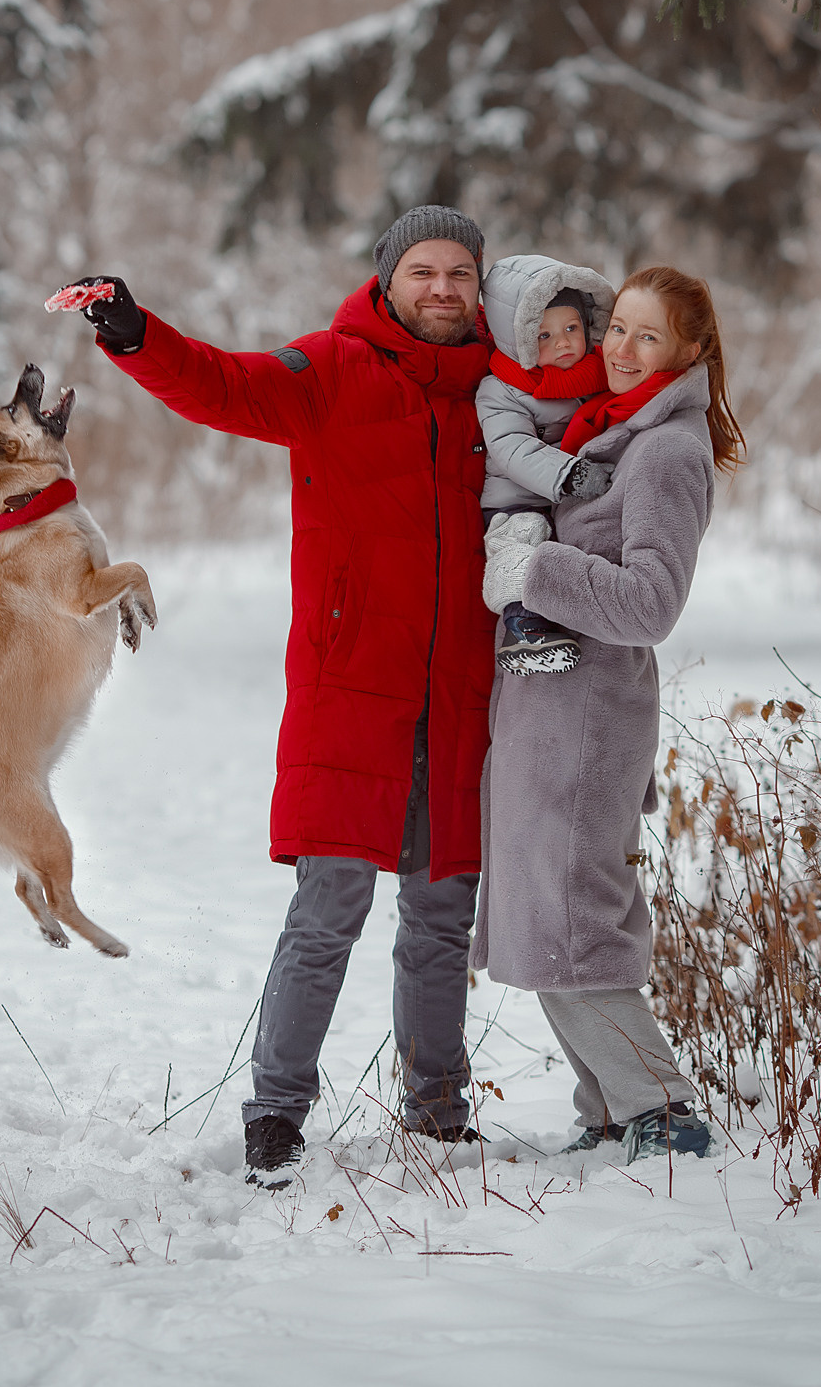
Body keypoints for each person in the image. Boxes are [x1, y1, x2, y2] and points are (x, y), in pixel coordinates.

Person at [66, 208, 497, 1187]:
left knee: (440, 914)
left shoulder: (495, 391)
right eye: (422, 271)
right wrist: (135, 334)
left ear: (480, 286)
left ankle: (437, 1111)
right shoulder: (331, 368)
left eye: (460, 273)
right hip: (352, 690)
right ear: (386, 280)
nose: (441, 288)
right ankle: (275, 1115)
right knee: (329, 905)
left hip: (460, 697)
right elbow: (224, 384)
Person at [472, 266, 745, 1162]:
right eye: (617, 327)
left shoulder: (665, 452)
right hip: (548, 710)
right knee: (541, 915)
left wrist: (533, 569)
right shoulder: (606, 427)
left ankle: (663, 1113)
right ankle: (610, 1112)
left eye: (647, 336)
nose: (621, 349)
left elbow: (651, 604)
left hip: (589, 720)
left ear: (689, 351)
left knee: (572, 920)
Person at [476, 255, 617, 676]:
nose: (563, 343)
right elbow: (512, 448)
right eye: (543, 335)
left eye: (571, 328)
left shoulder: (598, 376)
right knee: (523, 540)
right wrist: (566, 474)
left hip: (571, 493)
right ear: (517, 340)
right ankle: (523, 628)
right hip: (517, 498)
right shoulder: (501, 390)